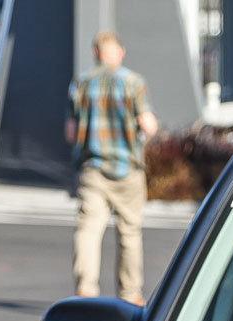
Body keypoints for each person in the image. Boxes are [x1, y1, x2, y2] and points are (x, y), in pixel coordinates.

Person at [66, 30, 158, 304]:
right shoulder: (133, 83)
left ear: (96, 54)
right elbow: (148, 125)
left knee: (88, 229)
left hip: (93, 168)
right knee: (129, 231)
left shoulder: (80, 84)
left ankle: (86, 289)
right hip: (127, 168)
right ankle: (130, 294)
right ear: (120, 53)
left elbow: (71, 133)